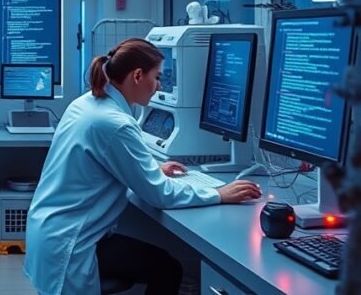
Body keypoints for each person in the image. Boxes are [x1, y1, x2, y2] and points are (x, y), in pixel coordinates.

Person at [23, 38, 261, 295]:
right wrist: (218, 194)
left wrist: (151, 168)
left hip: (49, 231)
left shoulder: (86, 104)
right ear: (137, 75)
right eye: (157, 77)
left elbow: (99, 163)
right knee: (167, 269)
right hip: (71, 243)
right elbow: (159, 194)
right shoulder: (115, 123)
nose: (158, 86)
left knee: (159, 264)